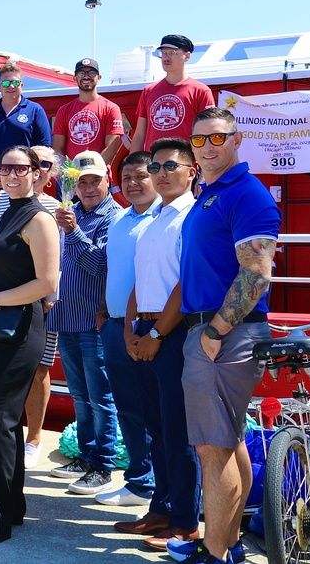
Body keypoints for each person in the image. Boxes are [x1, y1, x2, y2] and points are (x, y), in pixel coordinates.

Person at [177, 108, 279, 564]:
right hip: (213, 331)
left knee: (212, 449)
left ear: (236, 139)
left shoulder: (247, 194)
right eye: (199, 141)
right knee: (228, 442)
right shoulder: (211, 192)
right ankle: (228, 544)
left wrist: (216, 330)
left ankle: (215, 553)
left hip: (223, 334)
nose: (208, 147)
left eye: (217, 138)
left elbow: (256, 273)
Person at [0, 146, 60, 543]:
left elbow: (48, 284)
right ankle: (11, 507)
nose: (12, 174)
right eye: (6, 168)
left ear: (38, 173)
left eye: (22, 168)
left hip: (19, 329)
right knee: (1, 422)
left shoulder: (39, 218)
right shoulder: (5, 211)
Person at [115, 138, 203, 551]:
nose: (161, 173)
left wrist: (154, 335)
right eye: (156, 167)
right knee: (156, 430)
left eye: (171, 165)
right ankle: (162, 509)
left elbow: (186, 287)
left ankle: (186, 523)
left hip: (173, 334)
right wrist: (132, 330)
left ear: (191, 171)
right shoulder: (153, 221)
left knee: (178, 432)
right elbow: (139, 282)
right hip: (145, 333)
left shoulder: (192, 218)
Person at [46, 150, 123, 495]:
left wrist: (74, 232)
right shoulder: (70, 211)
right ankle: (87, 455)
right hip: (66, 317)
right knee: (80, 395)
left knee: (100, 397)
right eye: (82, 182)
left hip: (95, 322)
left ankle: (103, 465)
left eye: (95, 181)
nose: (88, 188)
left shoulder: (114, 217)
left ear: (108, 180)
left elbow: (99, 266)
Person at [0, 145, 62, 469]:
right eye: (7, 167)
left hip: (39, 307)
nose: (15, 173)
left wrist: (49, 297)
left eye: (44, 164)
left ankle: (33, 439)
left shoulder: (54, 209)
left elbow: (52, 269)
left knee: (39, 371)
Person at [97, 151, 160, 509]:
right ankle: (138, 480)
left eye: (142, 175)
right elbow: (113, 269)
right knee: (127, 409)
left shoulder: (163, 217)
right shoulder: (120, 219)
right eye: (128, 177)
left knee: (155, 410)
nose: (133, 183)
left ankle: (154, 484)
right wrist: (104, 314)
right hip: (116, 327)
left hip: (149, 328)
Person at [0, 61, 53, 204]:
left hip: (26, 184)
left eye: (15, 83)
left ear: (21, 86)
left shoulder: (35, 110)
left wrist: (31, 177)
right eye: (6, 83)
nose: (11, 86)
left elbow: (44, 149)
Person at [130, 35, 215, 152]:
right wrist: (132, 166)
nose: (166, 57)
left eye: (172, 52)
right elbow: (139, 134)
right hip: (154, 165)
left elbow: (208, 131)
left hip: (185, 164)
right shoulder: (149, 91)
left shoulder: (200, 91)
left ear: (187, 56)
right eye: (163, 53)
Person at [52, 58, 124, 163]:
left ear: (99, 77)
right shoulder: (64, 110)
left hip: (100, 175)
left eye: (91, 73)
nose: (86, 76)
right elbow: (57, 148)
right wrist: (68, 172)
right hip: (73, 176)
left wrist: (93, 169)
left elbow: (111, 148)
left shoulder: (111, 108)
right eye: (81, 73)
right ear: (75, 78)